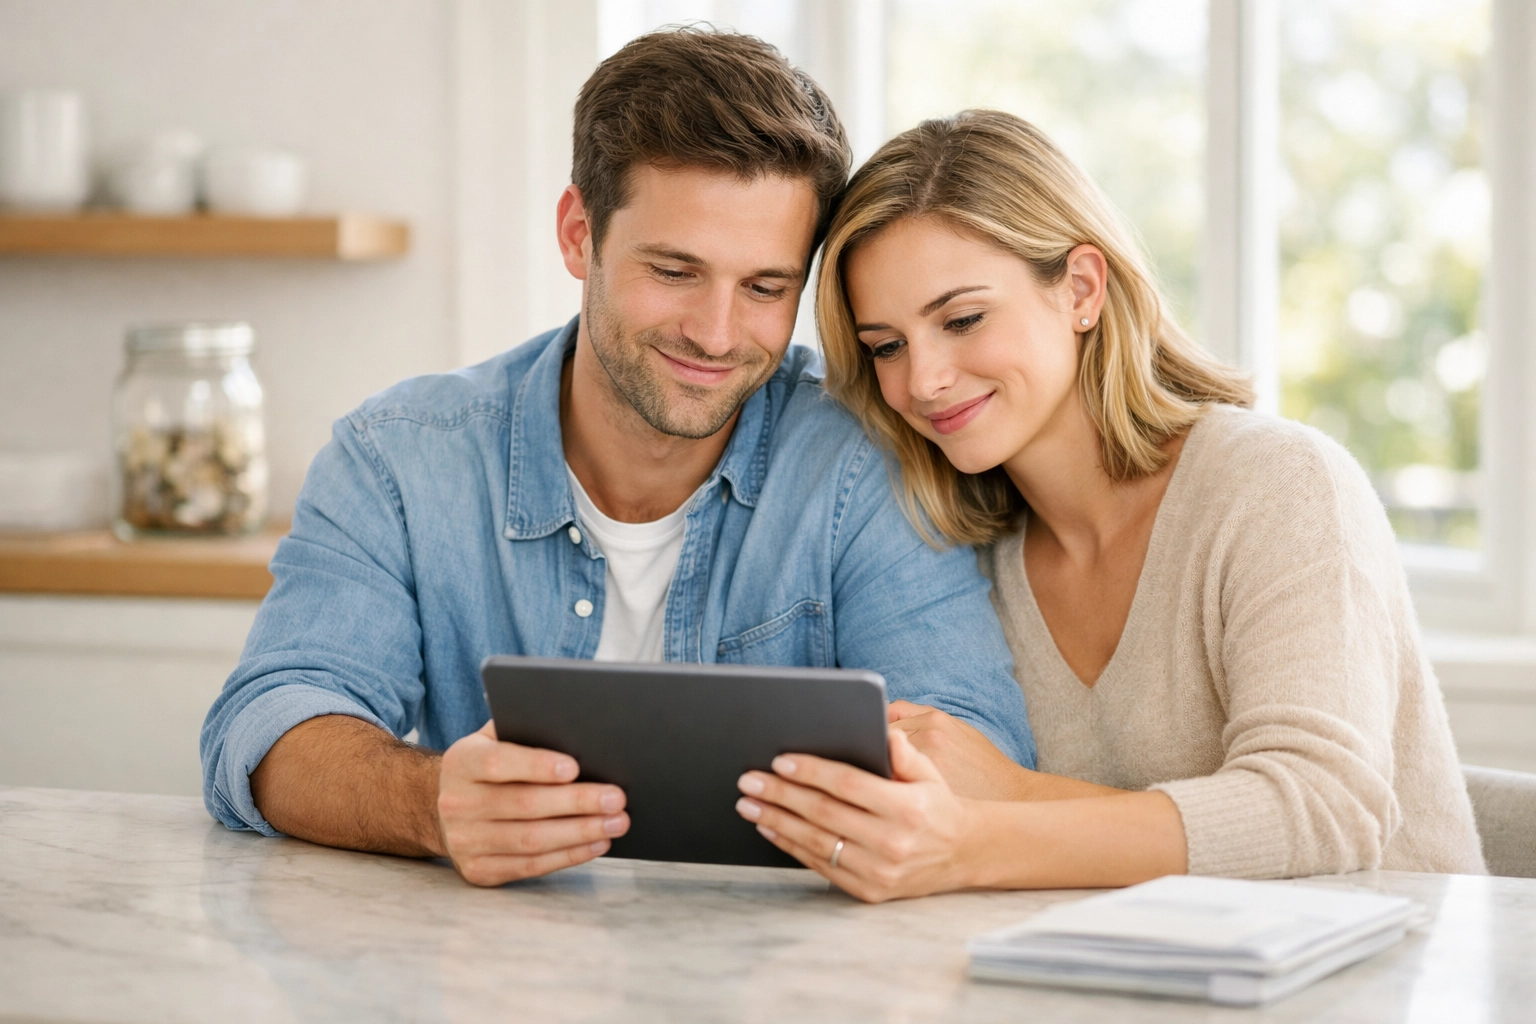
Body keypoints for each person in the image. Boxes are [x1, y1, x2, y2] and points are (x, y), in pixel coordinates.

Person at [201, 35, 1036, 887]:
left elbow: (974, 748)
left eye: (765, 288)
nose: (715, 335)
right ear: (578, 235)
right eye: (675, 271)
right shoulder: (398, 460)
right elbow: (269, 724)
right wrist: (429, 806)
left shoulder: (866, 462)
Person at [735, 108, 1486, 902]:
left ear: (1082, 290)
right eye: (887, 346)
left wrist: (995, 817)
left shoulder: (1281, 486)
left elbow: (1323, 810)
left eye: (962, 320)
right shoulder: (962, 555)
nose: (923, 380)